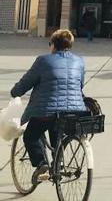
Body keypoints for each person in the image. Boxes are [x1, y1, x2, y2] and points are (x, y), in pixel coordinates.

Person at [10, 29, 88, 183]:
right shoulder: (79, 61)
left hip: (46, 111)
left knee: (30, 136)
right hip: (74, 111)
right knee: (56, 133)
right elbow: (80, 85)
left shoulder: (43, 61)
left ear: (53, 45)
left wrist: (15, 92)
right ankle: (57, 164)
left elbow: (26, 83)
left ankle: (41, 164)